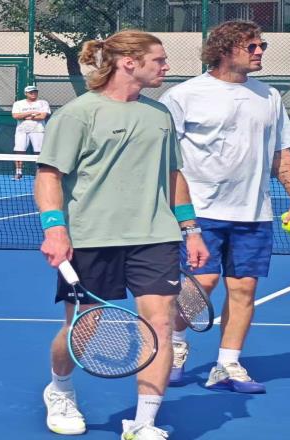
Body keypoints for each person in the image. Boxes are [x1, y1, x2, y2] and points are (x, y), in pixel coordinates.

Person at [34, 30, 209, 439]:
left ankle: (144, 423)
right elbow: (49, 176)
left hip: (155, 237)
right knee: (83, 328)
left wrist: (191, 229)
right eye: (159, 60)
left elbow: (173, 176)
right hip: (91, 238)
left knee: (160, 326)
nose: (166, 67)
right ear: (129, 62)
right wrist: (55, 230)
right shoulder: (78, 114)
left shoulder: (159, 115)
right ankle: (60, 389)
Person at [159, 21, 290, 393]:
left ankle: (227, 364)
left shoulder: (269, 96)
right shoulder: (183, 96)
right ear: (225, 49)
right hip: (200, 211)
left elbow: (281, 153)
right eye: (252, 46)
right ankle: (175, 346)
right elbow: (165, 158)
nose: (260, 51)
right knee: (202, 284)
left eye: (262, 45)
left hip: (254, 214)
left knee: (244, 290)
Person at [11, 85, 50, 179]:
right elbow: (15, 116)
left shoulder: (43, 103)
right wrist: (30, 114)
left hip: (38, 130)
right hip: (22, 131)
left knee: (39, 152)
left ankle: (40, 173)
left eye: (35, 92)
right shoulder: (18, 104)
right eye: (31, 92)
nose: (33, 94)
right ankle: (18, 172)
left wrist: (24, 116)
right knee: (19, 151)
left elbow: (42, 117)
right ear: (26, 93)